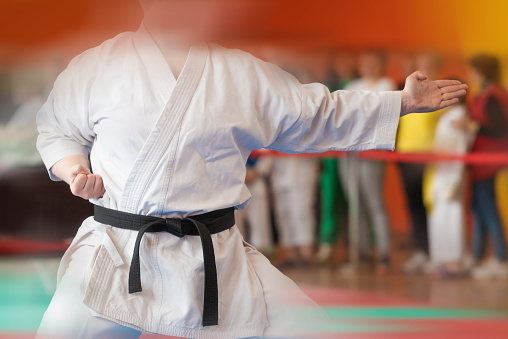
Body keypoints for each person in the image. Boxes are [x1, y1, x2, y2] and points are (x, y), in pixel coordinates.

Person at [34, 1, 467, 337]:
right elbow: (56, 127)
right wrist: (75, 170)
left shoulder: (241, 73)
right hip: (118, 251)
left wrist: (403, 102)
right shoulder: (97, 65)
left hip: (215, 256)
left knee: (310, 330)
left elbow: (316, 112)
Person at [452, 55, 508, 280]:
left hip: (488, 160)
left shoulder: (494, 95)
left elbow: (500, 129)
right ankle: (477, 255)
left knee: (487, 207)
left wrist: (472, 125)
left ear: (482, 71)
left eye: (473, 70)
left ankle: (501, 258)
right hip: (479, 160)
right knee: (478, 207)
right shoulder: (485, 93)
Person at [340, 50, 396, 273]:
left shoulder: (387, 84)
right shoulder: (351, 85)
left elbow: (378, 114)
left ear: (381, 64)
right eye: (365, 63)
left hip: (372, 151)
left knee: (374, 202)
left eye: (373, 62)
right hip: (349, 152)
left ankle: (383, 252)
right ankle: (360, 252)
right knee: (355, 203)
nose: (369, 66)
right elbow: (344, 116)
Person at [397, 51, 444, 274]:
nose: (425, 68)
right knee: (413, 205)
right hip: (407, 154)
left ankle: (434, 252)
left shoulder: (440, 91)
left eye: (429, 64)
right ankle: (421, 250)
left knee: (430, 206)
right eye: (421, 63)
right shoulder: (409, 90)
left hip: (428, 156)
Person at [428, 93, 472, 278]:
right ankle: (444, 259)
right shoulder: (448, 116)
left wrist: (456, 176)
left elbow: (460, 147)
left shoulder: (459, 117)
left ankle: (453, 261)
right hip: (441, 173)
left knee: (451, 215)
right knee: (441, 216)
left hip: (451, 174)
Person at [235, 155, 274, 256]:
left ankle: (259, 253)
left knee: (258, 220)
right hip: (236, 182)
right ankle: (238, 253)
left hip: (256, 181)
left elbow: (267, 154)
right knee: (236, 222)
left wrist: (257, 172)